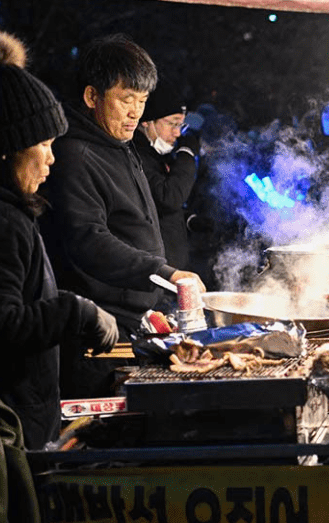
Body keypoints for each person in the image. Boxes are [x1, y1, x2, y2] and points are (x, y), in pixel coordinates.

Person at [0, 31, 118, 449]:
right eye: (45, 144)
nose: (52, 157)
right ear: (8, 150)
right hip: (5, 434)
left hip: (19, 424)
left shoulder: (4, 211)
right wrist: (77, 311)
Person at [40, 34, 205, 396]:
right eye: (126, 99)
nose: (135, 113)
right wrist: (164, 273)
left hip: (132, 324)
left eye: (142, 101)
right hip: (96, 334)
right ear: (92, 97)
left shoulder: (119, 145)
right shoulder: (75, 155)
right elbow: (88, 239)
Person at [133, 85, 199, 270]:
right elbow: (169, 197)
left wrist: (188, 220)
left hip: (171, 267)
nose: (177, 133)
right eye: (172, 123)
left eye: (180, 125)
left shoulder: (158, 155)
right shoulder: (136, 156)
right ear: (147, 121)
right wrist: (186, 154)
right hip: (154, 271)